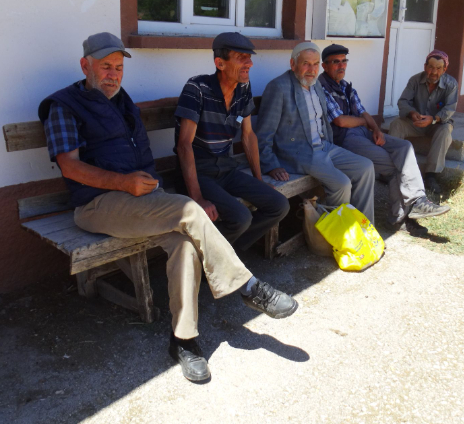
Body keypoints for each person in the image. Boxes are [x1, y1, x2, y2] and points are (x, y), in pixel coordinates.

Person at [37, 32, 298, 382]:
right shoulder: (64, 106)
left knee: (185, 244)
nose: (113, 74)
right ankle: (249, 287)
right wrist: (124, 182)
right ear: (86, 66)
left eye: (118, 67)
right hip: (97, 204)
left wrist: (143, 185)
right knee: (191, 210)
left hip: (142, 200)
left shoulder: (121, 102)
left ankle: (183, 341)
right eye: (105, 67)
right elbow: (69, 166)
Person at [318, 44, 450, 236]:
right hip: (345, 139)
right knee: (396, 165)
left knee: (404, 147)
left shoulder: (345, 86)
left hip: (362, 132)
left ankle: (418, 201)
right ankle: (400, 217)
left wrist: (377, 130)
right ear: (324, 66)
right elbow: (341, 121)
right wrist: (365, 123)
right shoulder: (322, 87)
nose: (341, 66)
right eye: (335, 62)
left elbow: (363, 112)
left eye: (344, 61)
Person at [174, 33, 289, 251]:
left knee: (279, 205)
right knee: (240, 217)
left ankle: (228, 252)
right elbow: (184, 145)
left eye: (249, 57)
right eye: (241, 58)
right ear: (220, 63)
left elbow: (248, 135)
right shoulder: (197, 88)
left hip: (227, 169)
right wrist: (197, 197)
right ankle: (207, 258)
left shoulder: (243, 88)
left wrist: (258, 180)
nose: (250, 63)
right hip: (200, 172)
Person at [255, 42, 375, 224]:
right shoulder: (279, 87)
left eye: (316, 64)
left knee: (365, 167)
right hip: (299, 151)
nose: (312, 70)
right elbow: (264, 132)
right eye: (306, 63)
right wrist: (271, 165)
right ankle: (335, 234)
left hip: (324, 146)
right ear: (293, 64)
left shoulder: (316, 85)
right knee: (341, 184)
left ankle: (364, 227)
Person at [388, 49, 458, 195]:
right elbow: (403, 101)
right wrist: (412, 113)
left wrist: (433, 119)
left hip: (437, 123)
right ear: (425, 66)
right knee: (396, 124)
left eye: (438, 68)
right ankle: (389, 169)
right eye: (431, 67)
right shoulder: (415, 80)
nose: (434, 72)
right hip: (416, 122)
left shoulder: (451, 84)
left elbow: (449, 109)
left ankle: (431, 175)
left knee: (445, 130)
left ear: (444, 69)